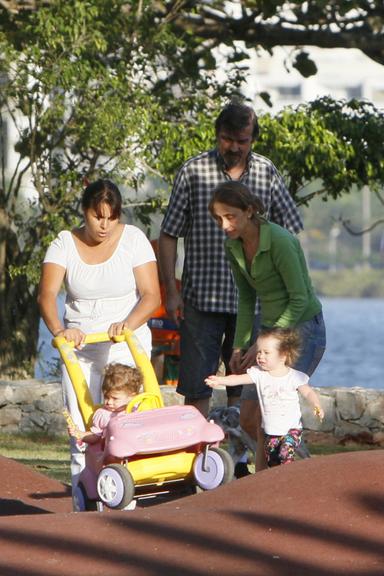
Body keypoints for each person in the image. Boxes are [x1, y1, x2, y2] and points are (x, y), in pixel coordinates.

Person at [159, 101, 303, 477]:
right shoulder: (194, 170)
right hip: (202, 298)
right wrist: (171, 292)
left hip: (255, 304)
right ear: (217, 136)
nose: (234, 147)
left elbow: (291, 230)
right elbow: (169, 233)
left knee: (248, 383)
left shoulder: (266, 173)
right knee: (197, 385)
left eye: (242, 140)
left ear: (252, 138)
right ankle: (195, 464)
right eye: (227, 139)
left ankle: (239, 463)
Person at [38, 178, 161, 503]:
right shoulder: (63, 243)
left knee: (124, 425)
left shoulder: (133, 239)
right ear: (85, 212)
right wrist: (60, 331)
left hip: (123, 344)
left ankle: (128, 498)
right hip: (79, 348)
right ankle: (84, 500)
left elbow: (151, 296)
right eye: (97, 217)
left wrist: (127, 324)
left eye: (112, 217)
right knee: (81, 426)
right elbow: (47, 295)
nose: (105, 225)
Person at [209, 180, 326, 469]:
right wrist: (239, 345)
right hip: (270, 330)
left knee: (278, 414)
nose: (224, 225)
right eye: (218, 218)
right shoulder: (233, 246)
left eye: (230, 216)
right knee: (250, 417)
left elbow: (299, 300)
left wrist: (265, 341)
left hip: (303, 327)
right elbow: (247, 299)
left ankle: (302, 477)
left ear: (249, 211)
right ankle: (265, 485)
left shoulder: (281, 241)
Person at [206, 328, 324, 467]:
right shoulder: (259, 374)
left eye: (266, 353)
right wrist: (220, 381)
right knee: (273, 463)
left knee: (285, 455)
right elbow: (237, 379)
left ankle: (289, 480)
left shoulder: (293, 376)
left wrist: (316, 405)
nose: (260, 356)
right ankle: (279, 483)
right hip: (271, 431)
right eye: (259, 352)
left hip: (291, 430)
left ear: (283, 355)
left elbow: (308, 392)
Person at [67, 363, 143, 444]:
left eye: (115, 398)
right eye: (106, 397)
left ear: (132, 397)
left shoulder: (137, 410)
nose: (109, 402)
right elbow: (95, 436)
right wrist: (80, 434)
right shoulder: (103, 415)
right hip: (113, 452)